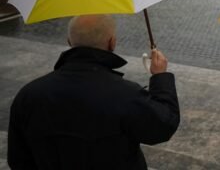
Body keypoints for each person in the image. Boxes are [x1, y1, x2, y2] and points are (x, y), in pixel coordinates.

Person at [8, 15, 180, 169]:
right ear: (112, 42)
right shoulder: (125, 95)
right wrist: (160, 77)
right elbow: (163, 126)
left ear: (69, 42)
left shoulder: (28, 95)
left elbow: (18, 159)